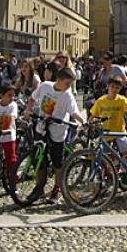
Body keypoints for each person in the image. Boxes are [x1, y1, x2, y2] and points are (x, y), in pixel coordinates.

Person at [25, 68, 85, 202]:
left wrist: (83, 121)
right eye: (67, 83)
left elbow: (74, 111)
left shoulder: (67, 95)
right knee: (39, 158)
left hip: (58, 131)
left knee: (58, 162)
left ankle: (57, 188)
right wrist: (28, 110)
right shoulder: (45, 86)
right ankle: (39, 187)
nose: (69, 86)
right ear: (58, 80)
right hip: (41, 126)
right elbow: (32, 98)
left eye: (70, 84)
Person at [90, 77, 127, 156]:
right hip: (106, 132)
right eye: (112, 86)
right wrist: (89, 122)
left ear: (120, 89)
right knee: (104, 155)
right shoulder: (101, 101)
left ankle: (124, 167)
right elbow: (94, 114)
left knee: (125, 152)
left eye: (117, 88)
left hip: (119, 131)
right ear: (107, 86)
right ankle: (110, 167)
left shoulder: (121, 100)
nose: (114, 89)